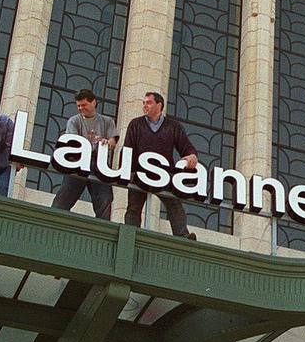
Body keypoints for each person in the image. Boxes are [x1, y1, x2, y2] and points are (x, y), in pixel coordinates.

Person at [123, 92, 198, 240]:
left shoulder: (173, 127)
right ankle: (129, 235)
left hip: (163, 174)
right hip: (140, 173)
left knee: (174, 204)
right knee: (134, 207)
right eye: (144, 102)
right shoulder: (135, 124)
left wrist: (192, 155)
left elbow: (186, 146)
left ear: (159, 105)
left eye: (149, 102)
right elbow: (128, 149)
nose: (145, 105)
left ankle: (183, 236)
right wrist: (127, 172)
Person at [51, 89, 117, 220]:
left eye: (84, 105)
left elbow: (113, 141)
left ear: (94, 102)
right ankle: (52, 222)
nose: (81, 108)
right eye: (79, 105)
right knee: (64, 197)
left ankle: (102, 231)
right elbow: (74, 142)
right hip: (78, 162)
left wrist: (107, 142)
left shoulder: (107, 121)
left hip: (100, 164)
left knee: (104, 200)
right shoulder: (74, 121)